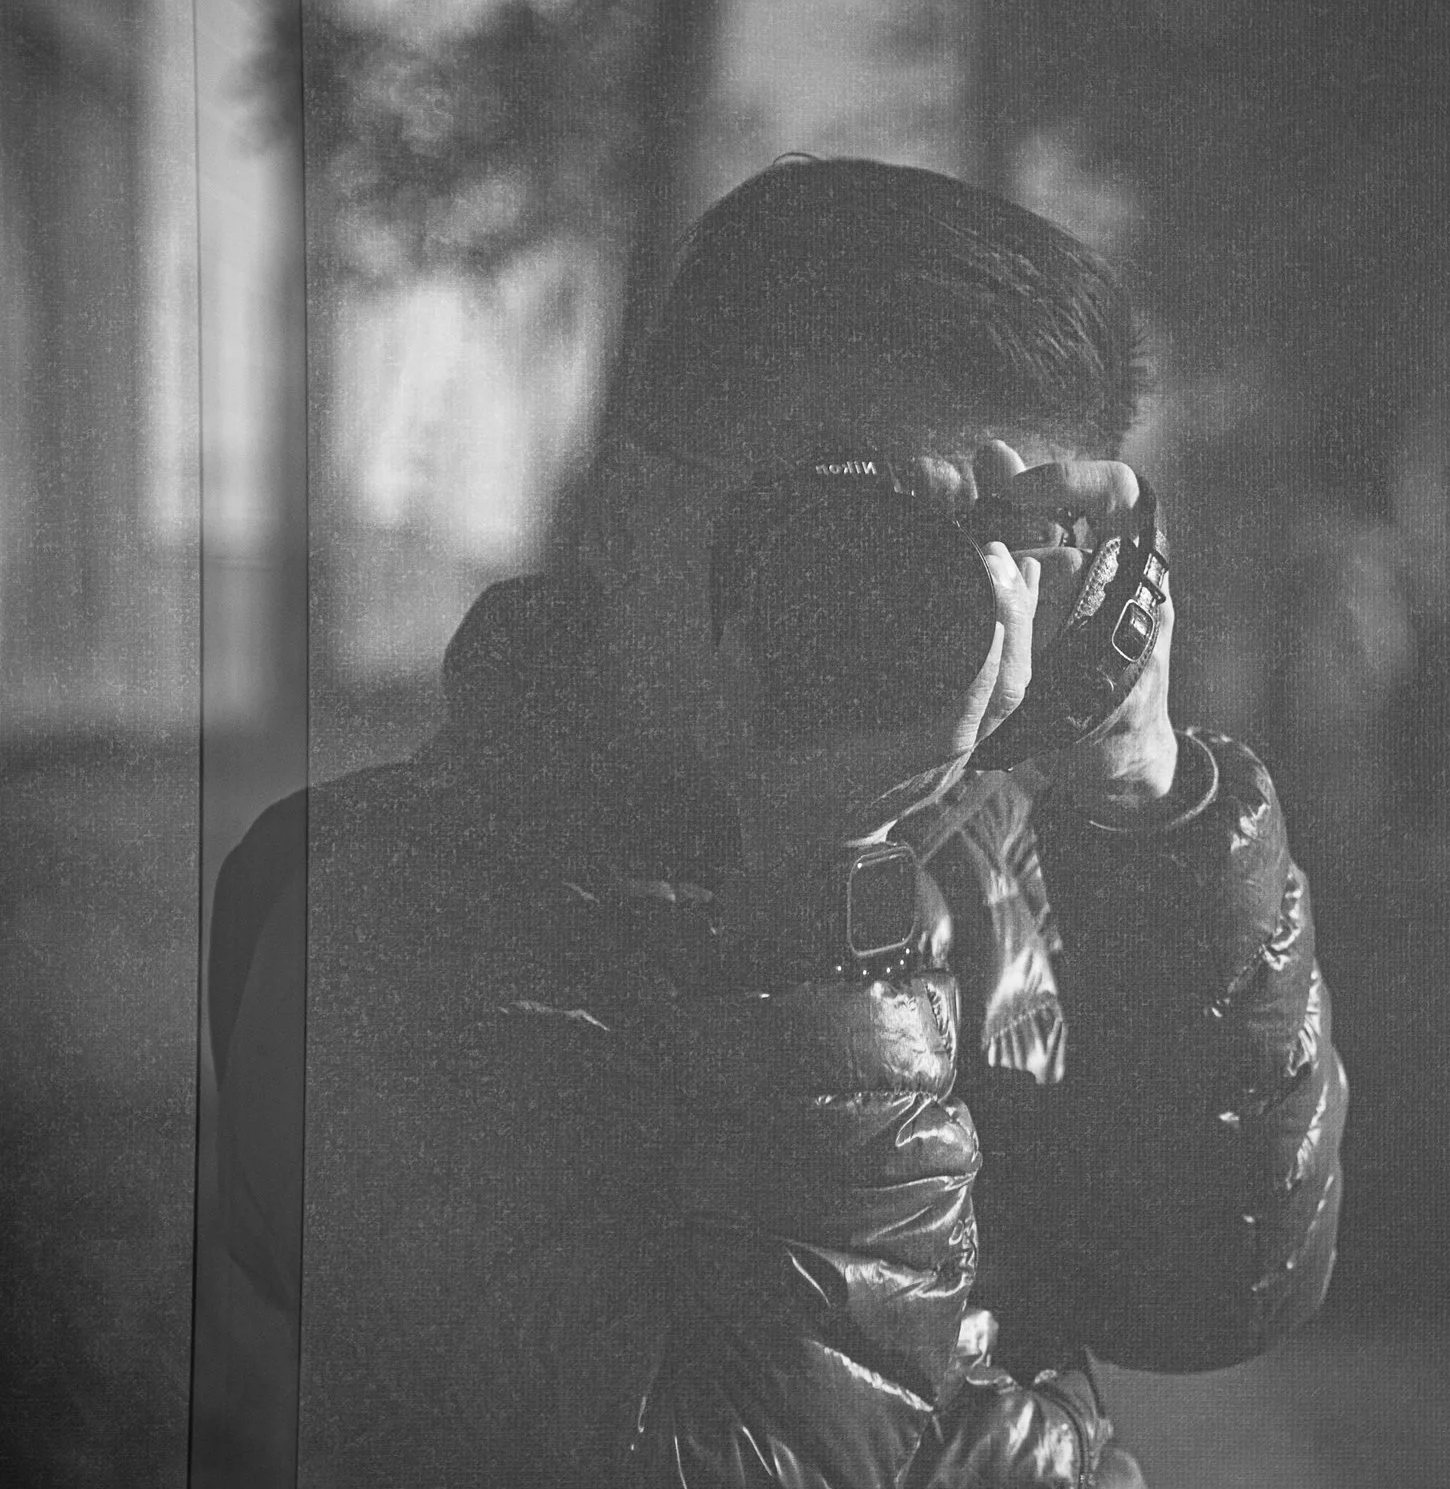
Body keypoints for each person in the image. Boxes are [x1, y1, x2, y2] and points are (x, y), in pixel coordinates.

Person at [197, 157, 1347, 1487]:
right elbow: (717, 1460)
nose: (940, 601)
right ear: (631, 522)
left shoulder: (978, 853)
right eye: (854, 523)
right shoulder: (370, 921)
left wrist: (1148, 803)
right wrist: (830, 894)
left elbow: (1215, 1287)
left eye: (1010, 542)